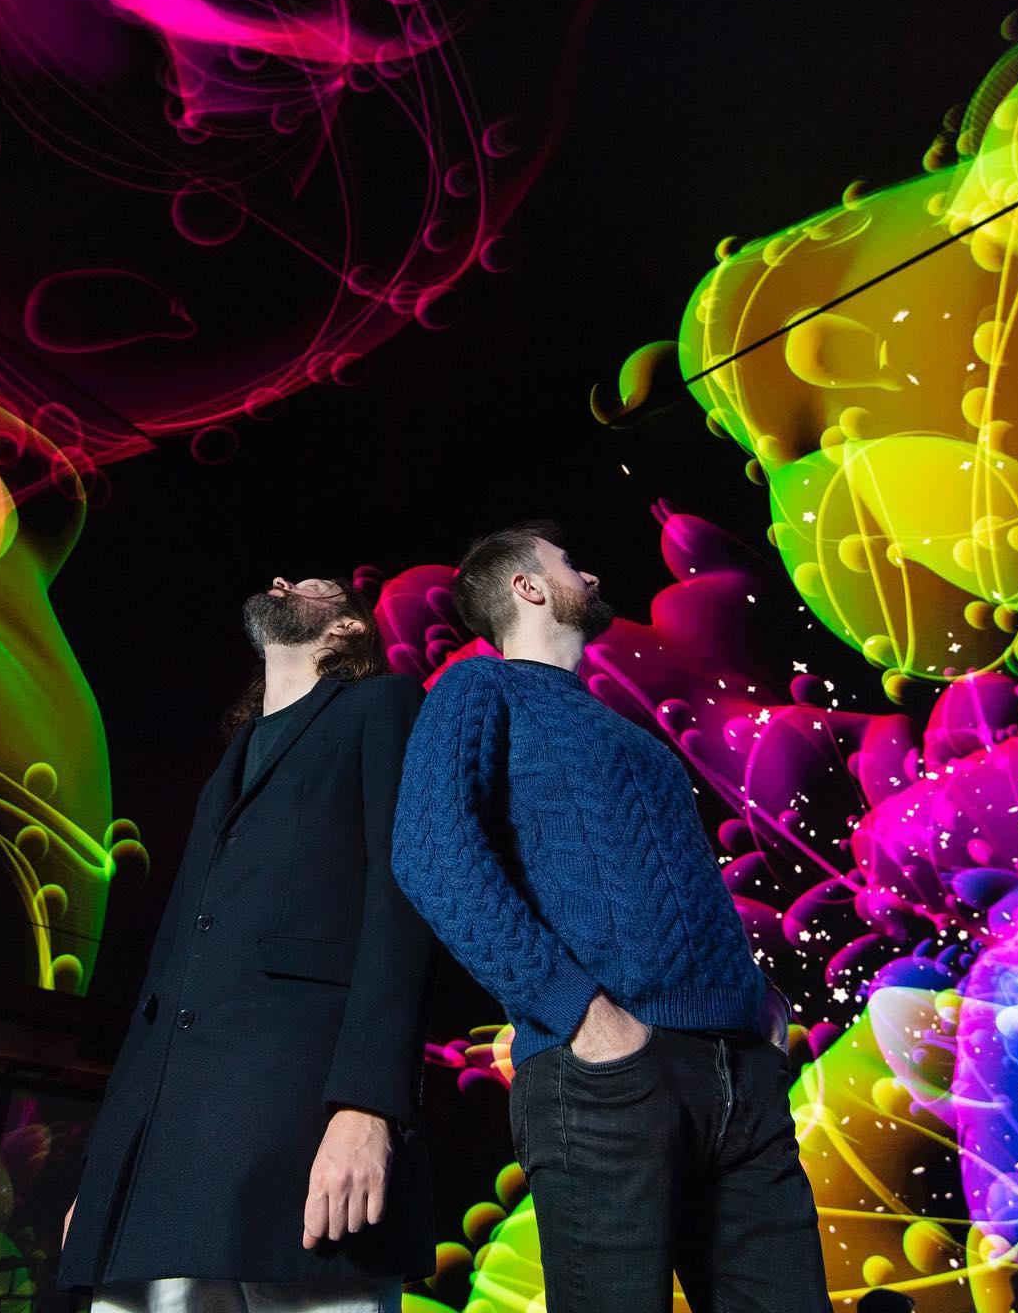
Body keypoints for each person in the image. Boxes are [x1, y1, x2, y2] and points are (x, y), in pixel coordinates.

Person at [390, 522, 831, 1313]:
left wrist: (759, 1003)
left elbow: (677, 881)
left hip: (741, 1078)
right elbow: (431, 856)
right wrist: (580, 1013)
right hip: (609, 1078)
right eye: (569, 564)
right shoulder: (480, 689)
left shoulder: (633, 737)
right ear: (527, 587)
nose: (590, 575)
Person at [59, 576, 436, 1313]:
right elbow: (167, 974)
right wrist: (107, 1174)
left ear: (349, 629)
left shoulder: (385, 707)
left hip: (295, 1135)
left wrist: (368, 1110)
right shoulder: (227, 765)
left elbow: (403, 905)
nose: (281, 583)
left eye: (313, 585)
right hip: (165, 1167)